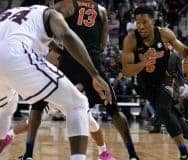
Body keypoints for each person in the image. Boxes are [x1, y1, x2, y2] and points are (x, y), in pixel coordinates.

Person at [17, 1, 139, 160]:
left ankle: (28, 153)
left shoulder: (66, 5)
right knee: (114, 110)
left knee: (39, 104)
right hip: (94, 63)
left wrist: (60, 50)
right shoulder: (101, 10)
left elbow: (46, 33)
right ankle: (132, 155)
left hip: (70, 61)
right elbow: (102, 46)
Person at [0, 4, 112, 160]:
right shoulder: (50, 18)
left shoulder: (11, 14)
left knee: (7, 108)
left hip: (26, 72)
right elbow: (67, 35)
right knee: (77, 104)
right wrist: (95, 75)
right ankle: (23, 148)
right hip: (26, 66)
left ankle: (103, 152)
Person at [121, 6, 188, 160]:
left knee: (164, 110)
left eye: (144, 22)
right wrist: (143, 62)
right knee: (186, 131)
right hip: (148, 86)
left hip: (167, 80)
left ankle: (184, 154)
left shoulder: (165, 34)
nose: (141, 26)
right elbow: (126, 71)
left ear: (153, 20)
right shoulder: (131, 40)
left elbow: (184, 50)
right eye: (137, 22)